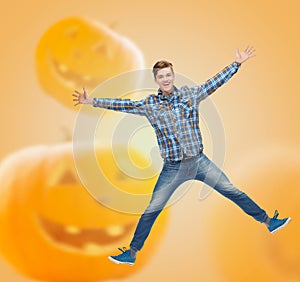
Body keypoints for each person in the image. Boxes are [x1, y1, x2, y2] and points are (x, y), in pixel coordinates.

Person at [72, 46, 291, 266]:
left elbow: (213, 84)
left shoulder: (190, 94)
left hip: (199, 162)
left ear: (173, 76)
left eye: (168, 75)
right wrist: (92, 101)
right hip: (172, 168)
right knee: (152, 208)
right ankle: (131, 252)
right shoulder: (150, 104)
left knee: (231, 190)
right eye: (161, 76)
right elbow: (125, 105)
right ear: (156, 80)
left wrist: (236, 64)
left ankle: (269, 221)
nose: (165, 79)